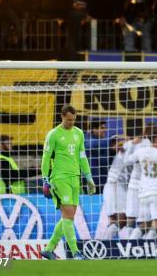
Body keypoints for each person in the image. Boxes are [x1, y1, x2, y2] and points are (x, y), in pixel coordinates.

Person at [40, 105, 96, 260]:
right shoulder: (53, 134)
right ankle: (76, 252)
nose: (71, 122)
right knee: (68, 214)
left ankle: (49, 249)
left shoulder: (79, 133)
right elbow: (46, 157)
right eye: (69, 120)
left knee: (68, 217)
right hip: (59, 178)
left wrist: (88, 177)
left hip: (75, 178)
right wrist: (45, 179)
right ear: (62, 117)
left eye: (74, 119)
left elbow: (82, 157)